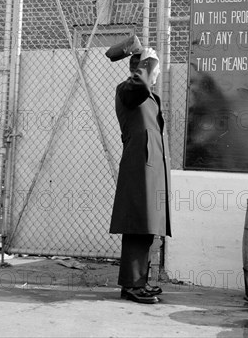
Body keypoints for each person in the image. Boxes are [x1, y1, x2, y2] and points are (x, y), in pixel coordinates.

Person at [109, 48, 172, 304]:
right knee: (138, 224)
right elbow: (142, 82)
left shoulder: (146, 95)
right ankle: (133, 284)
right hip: (140, 165)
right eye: (154, 71)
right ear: (141, 69)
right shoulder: (128, 90)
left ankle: (137, 282)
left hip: (151, 166)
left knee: (147, 226)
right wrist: (148, 60)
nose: (155, 76)